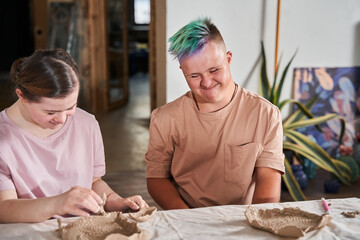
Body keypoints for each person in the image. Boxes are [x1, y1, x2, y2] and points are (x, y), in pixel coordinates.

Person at [145, 17, 285, 210]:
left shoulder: (266, 114)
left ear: (228, 59)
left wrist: (255, 226)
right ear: (183, 71)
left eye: (214, 70)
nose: (206, 82)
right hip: (186, 218)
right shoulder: (164, 118)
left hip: (243, 219)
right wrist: (190, 220)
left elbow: (268, 185)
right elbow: (156, 179)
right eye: (194, 76)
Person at [0, 49, 148, 223]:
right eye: (50, 112)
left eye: (71, 107)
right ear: (22, 96)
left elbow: (93, 183)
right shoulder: (4, 138)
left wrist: (115, 201)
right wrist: (58, 203)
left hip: (82, 228)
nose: (62, 119)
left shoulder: (87, 123)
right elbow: (4, 210)